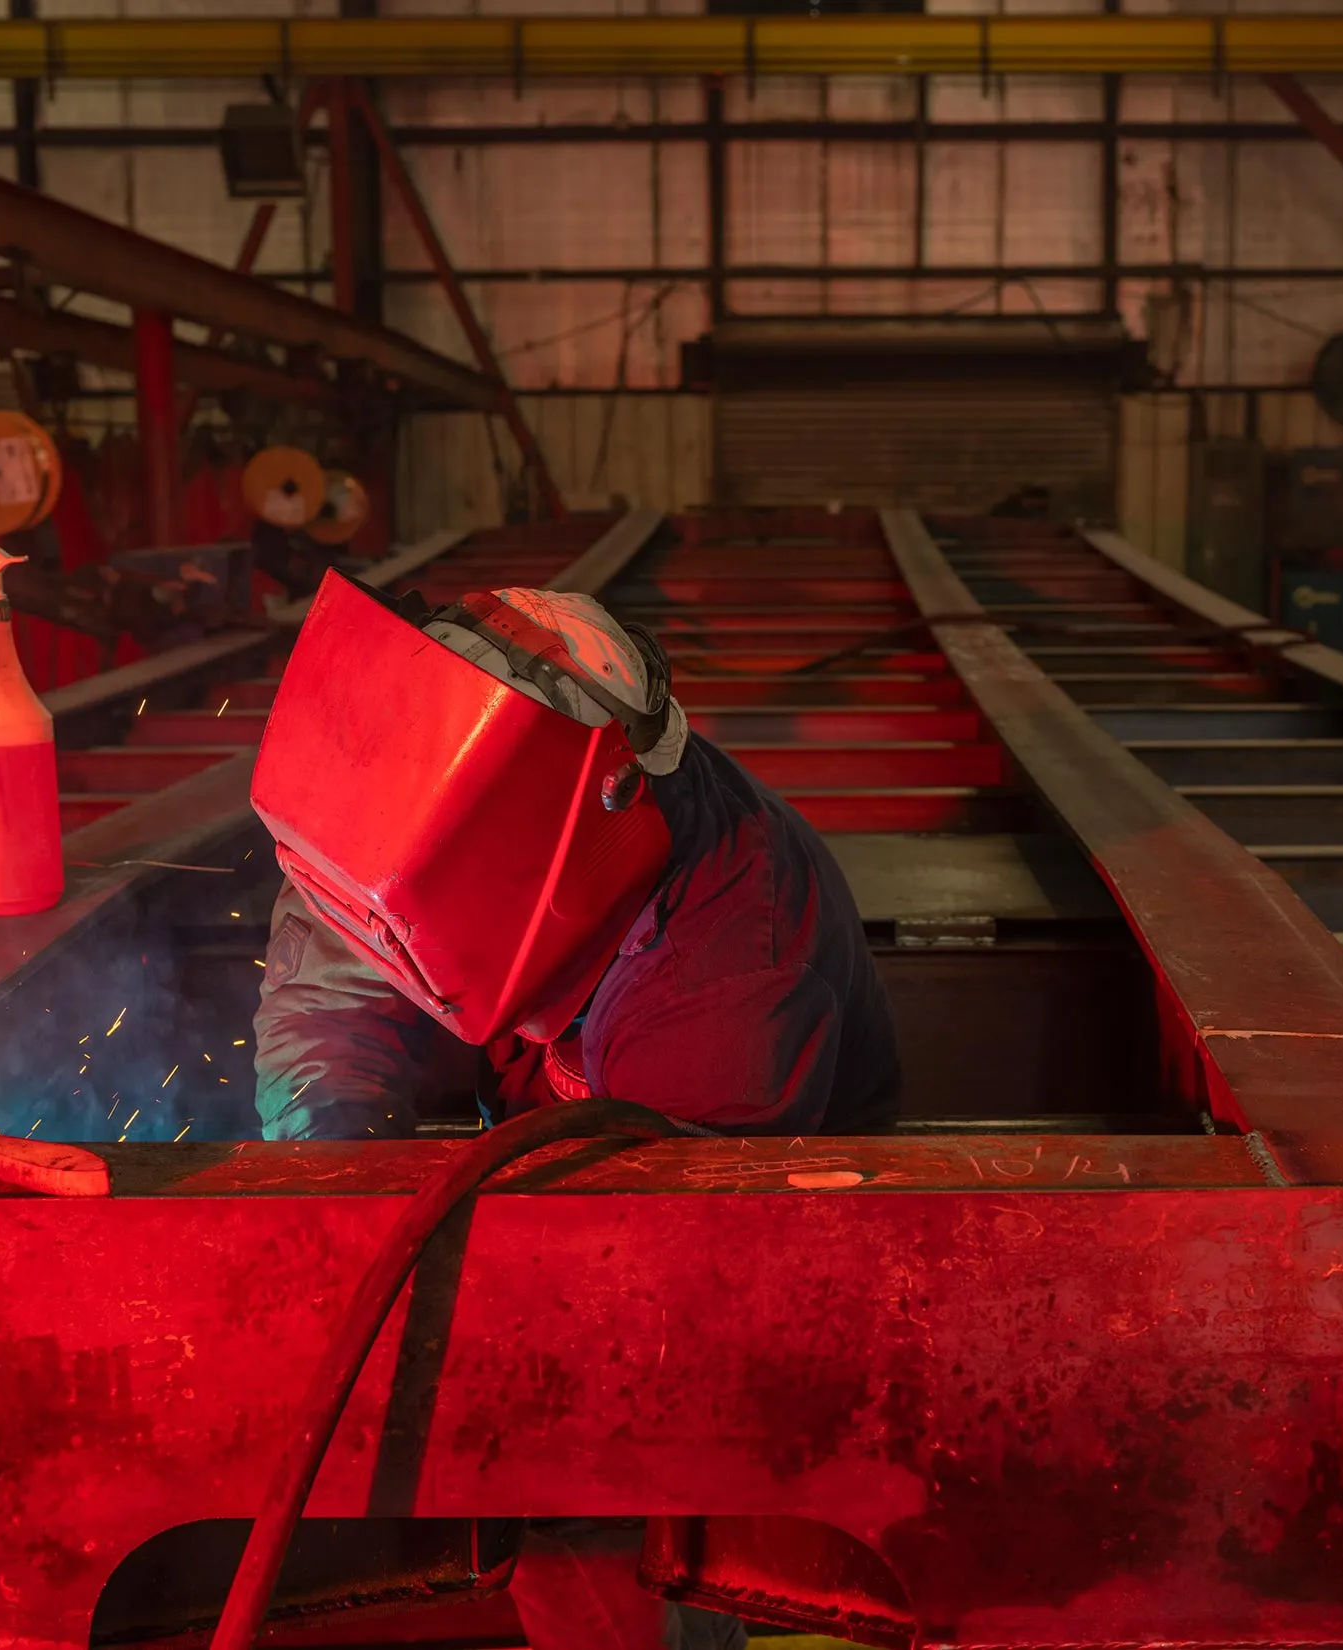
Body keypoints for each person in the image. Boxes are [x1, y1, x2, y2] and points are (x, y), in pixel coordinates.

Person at [246, 572, 902, 1650]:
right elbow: (328, 996)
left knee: (610, 1485)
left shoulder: (734, 960)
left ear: (587, 809)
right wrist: (329, 1195)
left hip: (746, 1211)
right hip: (550, 1111)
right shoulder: (412, 794)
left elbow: (646, 1304)